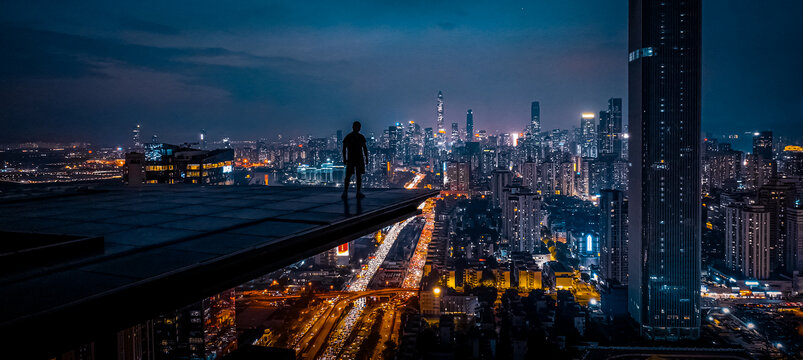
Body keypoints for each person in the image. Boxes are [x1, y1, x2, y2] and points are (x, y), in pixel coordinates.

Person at [342, 121, 368, 199]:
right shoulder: (349, 137)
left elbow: (365, 148)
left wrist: (366, 157)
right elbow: (344, 149)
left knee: (358, 175)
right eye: (357, 126)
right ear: (353, 127)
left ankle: (358, 191)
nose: (358, 128)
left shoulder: (360, 137)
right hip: (352, 158)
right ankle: (346, 191)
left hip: (358, 158)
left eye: (359, 127)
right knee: (349, 175)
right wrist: (344, 158)